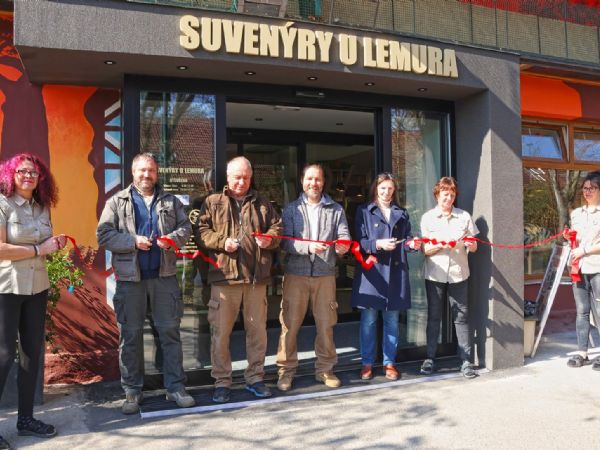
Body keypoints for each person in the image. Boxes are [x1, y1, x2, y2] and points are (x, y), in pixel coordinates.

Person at [96, 152, 195, 414]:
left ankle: (176, 387)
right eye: (142, 170)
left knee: (170, 334)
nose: (146, 175)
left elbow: (186, 228)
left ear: (157, 173)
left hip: (164, 278)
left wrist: (171, 239)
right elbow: (103, 235)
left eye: (151, 170)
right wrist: (132, 241)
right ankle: (132, 391)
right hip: (131, 281)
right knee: (130, 336)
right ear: (133, 172)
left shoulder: (171, 201)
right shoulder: (117, 201)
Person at [197, 156, 281, 404]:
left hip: (256, 280)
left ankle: (255, 378)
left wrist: (269, 239)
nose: (241, 182)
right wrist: (222, 242)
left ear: (251, 178)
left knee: (257, 334)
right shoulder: (213, 202)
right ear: (228, 177)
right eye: (237, 177)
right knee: (221, 335)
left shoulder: (263, 202)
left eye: (246, 177)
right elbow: (201, 232)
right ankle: (222, 381)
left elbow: (278, 228)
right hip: (225, 280)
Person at [0, 153, 66, 448]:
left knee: (31, 354)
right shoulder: (2, 204)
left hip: (37, 287)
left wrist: (54, 245)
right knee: (3, 355)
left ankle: (25, 419)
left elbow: (44, 244)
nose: (28, 176)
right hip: (6, 287)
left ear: (41, 178)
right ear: (11, 174)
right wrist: (40, 249)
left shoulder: (43, 207)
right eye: (22, 171)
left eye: (33, 173)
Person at [276, 164, 350, 391]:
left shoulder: (336, 209)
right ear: (302, 181)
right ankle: (286, 372)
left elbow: (344, 235)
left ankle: (325, 370)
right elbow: (284, 242)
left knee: (326, 325)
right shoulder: (291, 210)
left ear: (323, 182)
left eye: (317, 179)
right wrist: (307, 247)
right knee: (289, 326)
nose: (313, 183)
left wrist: (343, 246)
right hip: (295, 275)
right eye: (309, 179)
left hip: (325, 275)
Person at [351, 173, 420, 381]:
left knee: (391, 321)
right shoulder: (364, 211)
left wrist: (411, 244)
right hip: (372, 274)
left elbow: (406, 240)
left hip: (396, 273)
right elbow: (359, 242)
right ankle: (367, 363)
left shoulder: (402, 212)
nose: (386, 192)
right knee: (369, 321)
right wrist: (378, 244)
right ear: (375, 188)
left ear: (394, 190)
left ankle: (389, 363)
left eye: (390, 188)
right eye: (382, 188)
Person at [419, 176, 478, 379]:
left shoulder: (464, 216)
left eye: (452, 195)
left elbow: (474, 245)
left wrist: (471, 244)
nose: (449, 198)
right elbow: (426, 250)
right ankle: (429, 358)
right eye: (445, 194)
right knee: (434, 316)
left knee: (461, 317)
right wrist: (442, 244)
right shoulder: (428, 218)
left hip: (459, 274)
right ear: (437, 195)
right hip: (435, 274)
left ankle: (466, 361)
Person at [566, 171, 600, 370]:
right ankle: (582, 353)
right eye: (585, 188)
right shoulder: (576, 214)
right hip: (579, 268)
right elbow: (575, 239)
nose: (587, 191)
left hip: (597, 267)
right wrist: (569, 238)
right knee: (582, 311)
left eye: (592, 188)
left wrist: (584, 250)